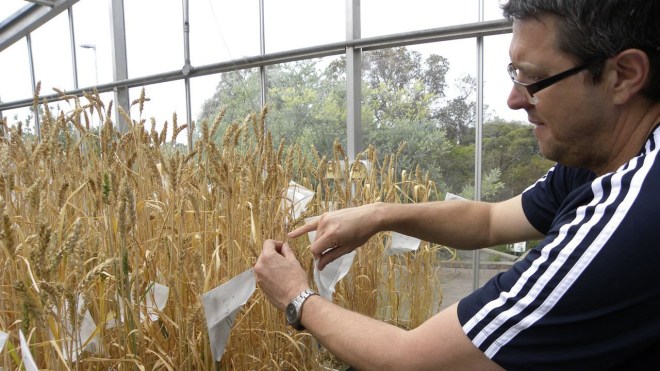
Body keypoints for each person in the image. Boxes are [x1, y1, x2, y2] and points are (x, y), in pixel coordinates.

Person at [254, 0, 660, 369]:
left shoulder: (634, 214)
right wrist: (379, 215)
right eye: (513, 73)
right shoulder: (599, 157)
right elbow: (489, 221)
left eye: (533, 79)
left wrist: (297, 298)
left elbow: (413, 361)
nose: (514, 100)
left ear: (623, 76)